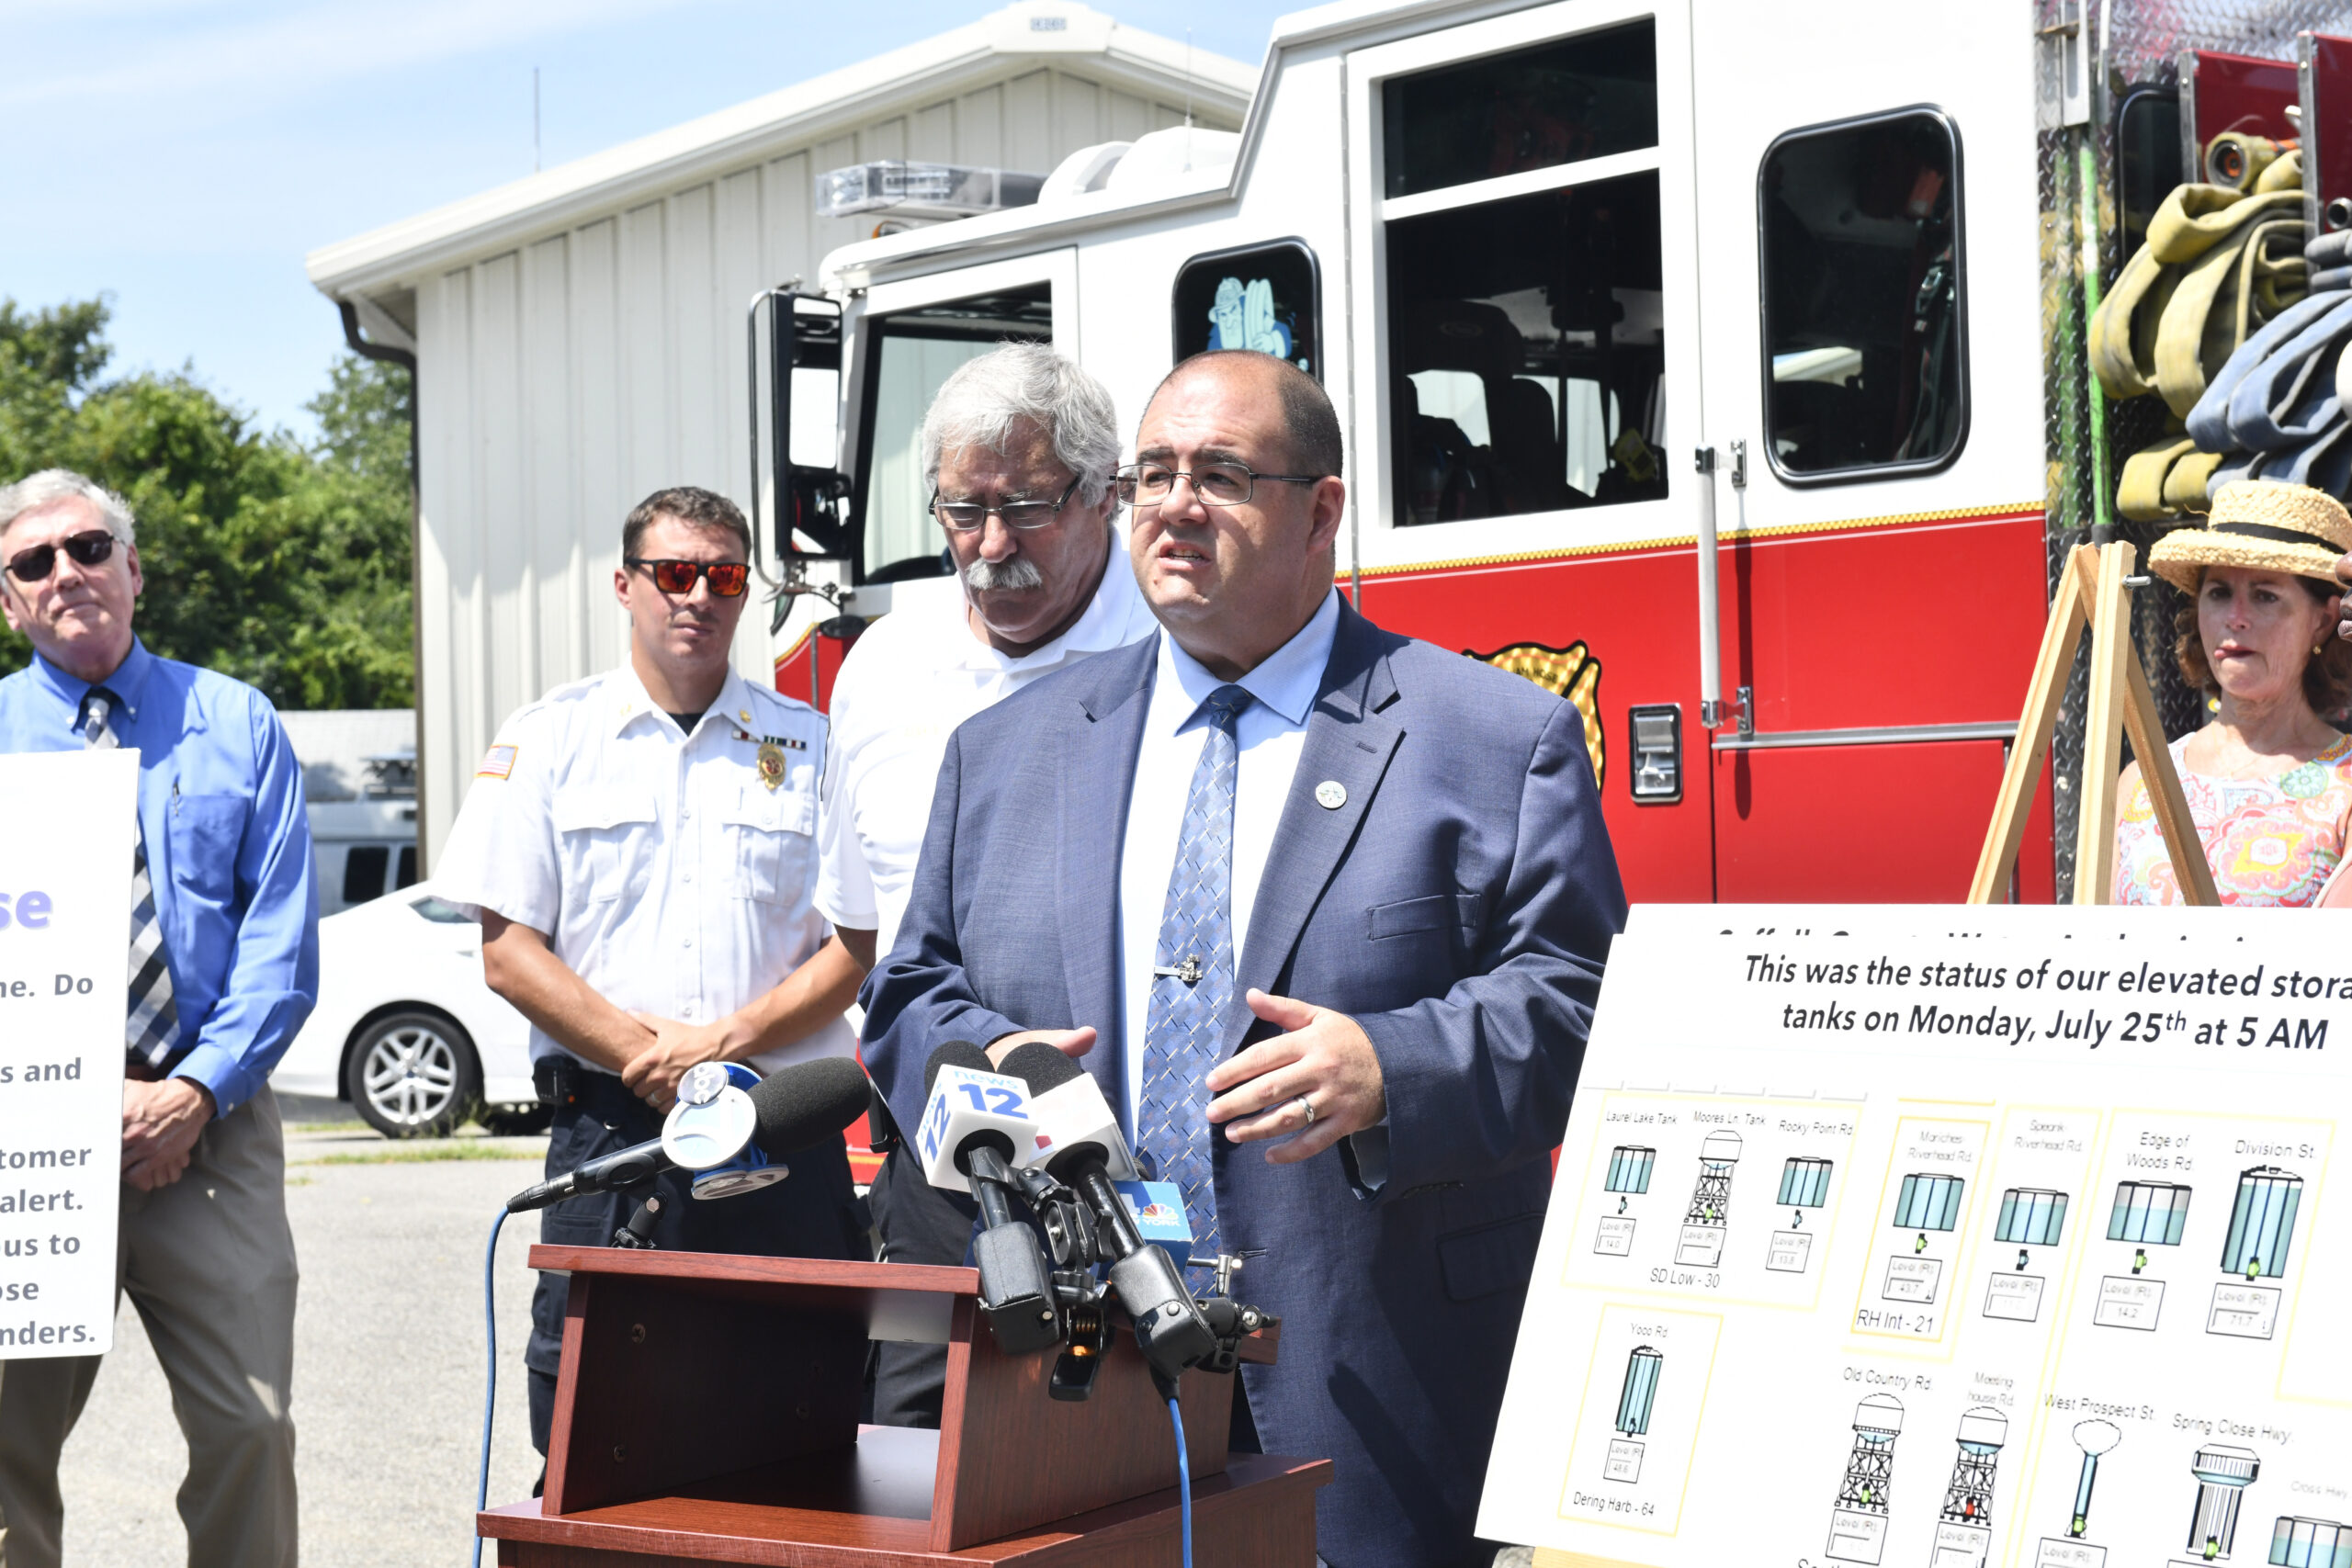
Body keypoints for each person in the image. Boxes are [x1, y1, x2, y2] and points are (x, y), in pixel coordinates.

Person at [858, 352, 1627, 1567]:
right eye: (1152, 473)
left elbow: (1583, 1006)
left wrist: (1394, 1063)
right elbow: (907, 994)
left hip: (1368, 1381)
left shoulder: (1488, 735)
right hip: (1070, 1390)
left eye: (1222, 474)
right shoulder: (1007, 749)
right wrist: (989, 1059)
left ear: (1321, 509)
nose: (1174, 503)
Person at [435, 485, 868, 1460]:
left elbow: (858, 946)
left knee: (800, 1417)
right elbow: (508, 951)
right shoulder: (550, 738)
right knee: (596, 1428)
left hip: (780, 1128)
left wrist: (717, 1049)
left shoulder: (808, 745)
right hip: (615, 1125)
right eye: (673, 574)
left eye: (722, 576)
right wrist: (652, 1060)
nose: (697, 597)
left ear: (745, 591)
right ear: (624, 586)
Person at [817, 343, 1158, 1427]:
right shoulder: (882, 664)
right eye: (962, 512)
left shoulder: (1181, 646)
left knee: (1119, 1453)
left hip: (1136, 1153)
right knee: (914, 1447)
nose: (991, 547)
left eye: (1028, 507)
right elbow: (863, 926)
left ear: (1106, 494)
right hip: (936, 1158)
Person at [0, 469, 317, 1568]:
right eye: (33, 562)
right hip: (26, 1145)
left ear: (133, 569)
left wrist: (190, 1093)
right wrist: (87, 1107)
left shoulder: (236, 720)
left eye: (87, 548)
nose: (65, 573)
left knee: (253, 1426)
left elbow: (281, 945)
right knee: (4, 1452)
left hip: (212, 1128)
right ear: (9, 601)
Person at [2120, 480, 2352, 906]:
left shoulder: (2347, 783)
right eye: (2220, 592)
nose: (2235, 618)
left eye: (2265, 595)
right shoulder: (2140, 780)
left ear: (2322, 621)